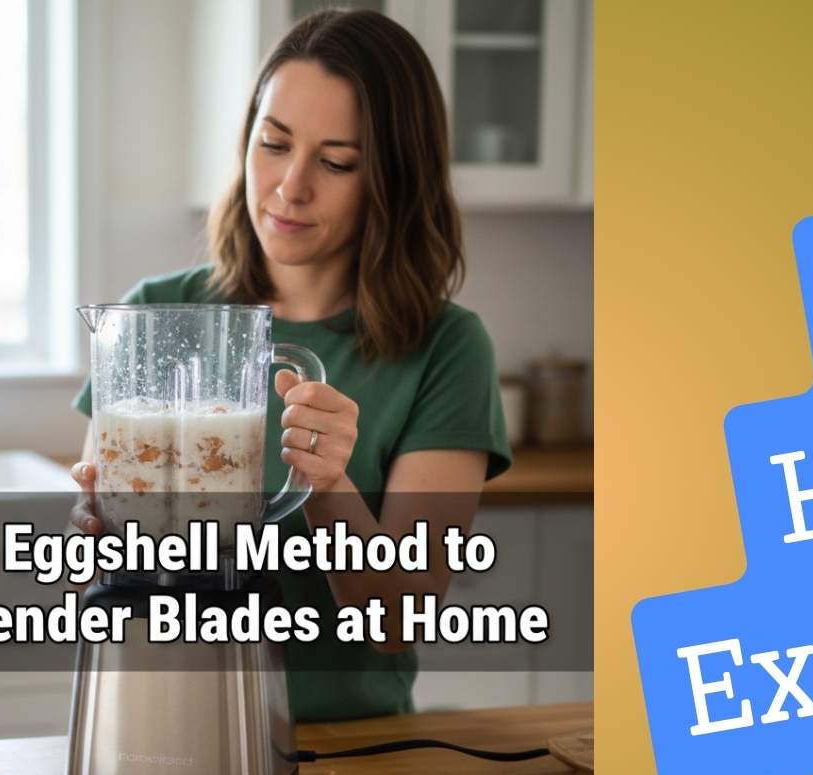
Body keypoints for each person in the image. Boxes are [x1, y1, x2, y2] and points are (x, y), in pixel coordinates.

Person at [68, 10, 511, 721]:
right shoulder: (154, 313)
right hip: (159, 721)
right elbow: (92, 575)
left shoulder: (446, 348)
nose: (290, 186)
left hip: (357, 758)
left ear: (393, 180)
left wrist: (328, 486)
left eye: (336, 162)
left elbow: (400, 623)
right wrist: (91, 533)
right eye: (273, 144)